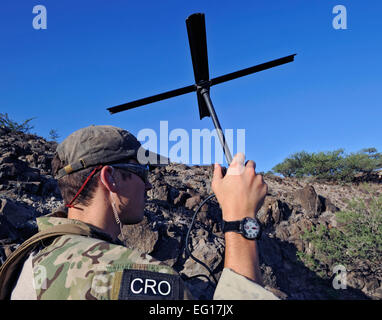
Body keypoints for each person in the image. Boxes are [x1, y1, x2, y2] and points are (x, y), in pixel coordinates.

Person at [8, 125, 278, 300]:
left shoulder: (31, 258)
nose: (149, 185)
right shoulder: (126, 274)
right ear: (110, 178)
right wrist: (241, 219)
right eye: (142, 173)